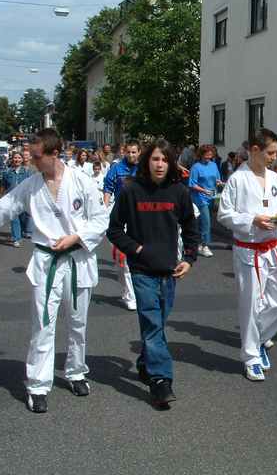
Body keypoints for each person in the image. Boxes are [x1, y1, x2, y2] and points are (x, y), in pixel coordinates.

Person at [0, 128, 109, 413]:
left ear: (54, 153)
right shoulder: (30, 186)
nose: (32, 161)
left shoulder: (81, 181)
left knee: (78, 323)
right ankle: (37, 385)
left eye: (37, 157)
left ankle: (76, 372)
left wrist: (76, 237)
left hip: (78, 259)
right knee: (43, 326)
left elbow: (101, 220)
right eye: (31, 156)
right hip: (46, 262)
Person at [107, 139, 198, 407]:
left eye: (165, 160)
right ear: (147, 161)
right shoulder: (131, 190)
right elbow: (114, 230)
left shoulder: (179, 191)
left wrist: (189, 258)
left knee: (157, 324)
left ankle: (146, 362)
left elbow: (191, 228)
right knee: (152, 323)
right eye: (155, 159)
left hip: (170, 271)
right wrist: (136, 249)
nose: (160, 164)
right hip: (141, 270)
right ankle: (161, 380)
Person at [217, 128, 277, 381]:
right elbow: (224, 214)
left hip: (272, 247)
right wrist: (252, 220)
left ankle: (260, 338)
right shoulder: (237, 179)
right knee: (251, 304)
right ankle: (251, 357)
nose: (274, 157)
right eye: (270, 152)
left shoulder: (274, 177)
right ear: (254, 150)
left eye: (275, 152)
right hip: (249, 249)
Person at [104, 139, 141, 311]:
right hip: (120, 217)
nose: (131, 155)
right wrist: (104, 210)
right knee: (121, 261)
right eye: (129, 152)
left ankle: (131, 295)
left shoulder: (144, 168)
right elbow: (108, 188)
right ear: (124, 152)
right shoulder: (117, 168)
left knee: (130, 259)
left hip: (139, 217)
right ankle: (127, 291)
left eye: (134, 152)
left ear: (139, 152)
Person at [188, 144, 223, 258]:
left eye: (210, 155)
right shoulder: (196, 167)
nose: (209, 157)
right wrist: (203, 190)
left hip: (212, 197)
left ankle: (197, 243)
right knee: (206, 222)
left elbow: (217, 178)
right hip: (200, 198)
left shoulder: (213, 165)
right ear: (201, 154)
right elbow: (192, 184)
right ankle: (205, 246)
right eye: (207, 155)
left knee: (203, 222)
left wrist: (219, 182)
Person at [0, 151, 32, 247]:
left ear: (22, 160)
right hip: (11, 199)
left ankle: (21, 233)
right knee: (14, 219)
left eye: (19, 158)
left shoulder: (26, 172)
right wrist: (0, 197)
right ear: (12, 159)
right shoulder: (7, 172)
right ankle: (16, 239)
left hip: (23, 199)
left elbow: (30, 186)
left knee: (23, 218)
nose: (17, 160)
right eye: (15, 158)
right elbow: (3, 186)